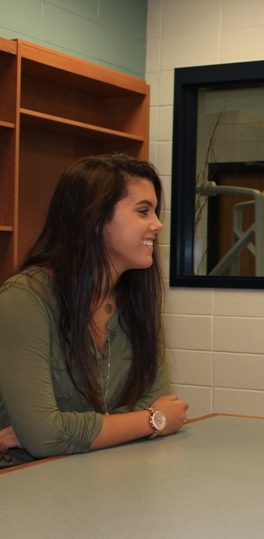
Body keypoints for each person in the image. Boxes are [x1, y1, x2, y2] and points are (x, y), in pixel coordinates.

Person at [0, 154, 188, 468]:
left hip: (98, 476)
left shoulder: (135, 303)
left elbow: (159, 399)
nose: (158, 225)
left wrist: (64, 429)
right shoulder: (24, 299)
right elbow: (45, 436)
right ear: (94, 218)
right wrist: (152, 421)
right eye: (144, 211)